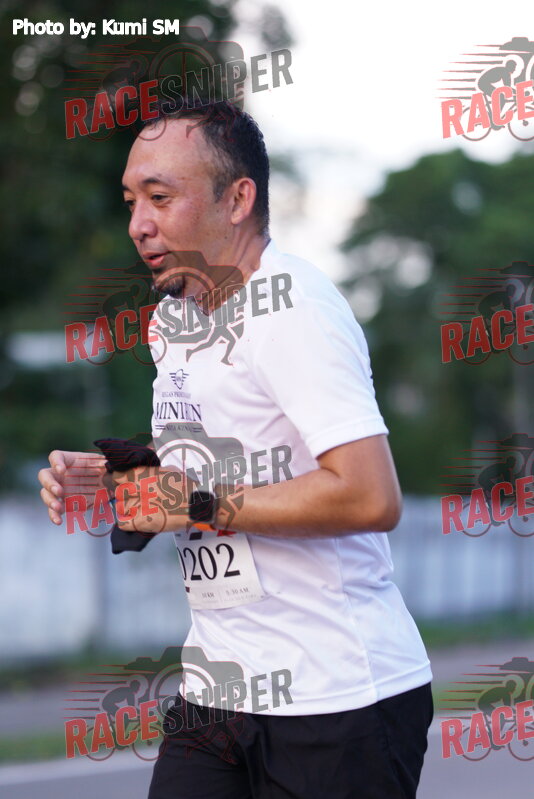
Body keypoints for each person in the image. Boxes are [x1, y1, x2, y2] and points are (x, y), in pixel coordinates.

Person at [38, 100, 433, 798]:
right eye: (131, 201)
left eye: (160, 197)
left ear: (238, 199)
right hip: (218, 687)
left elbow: (371, 495)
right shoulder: (173, 319)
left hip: (337, 696)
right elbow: (208, 455)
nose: (138, 223)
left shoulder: (294, 308)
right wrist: (109, 476)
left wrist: (197, 503)